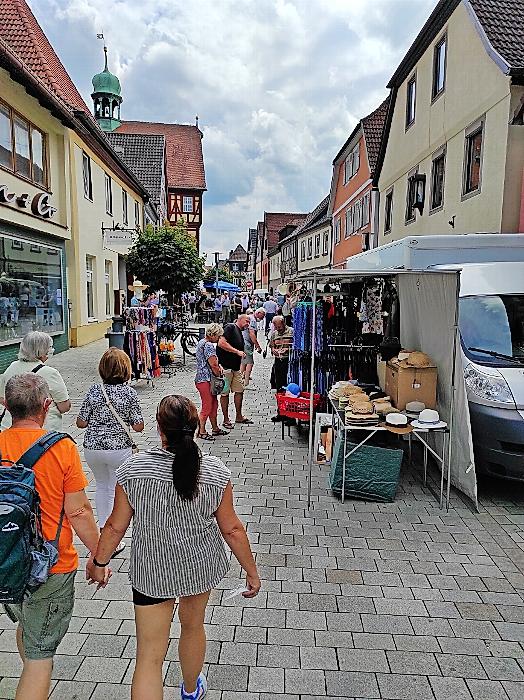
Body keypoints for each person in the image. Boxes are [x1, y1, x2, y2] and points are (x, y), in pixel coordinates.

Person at [88, 395, 261, 700]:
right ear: (195, 427)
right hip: (198, 566)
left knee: (149, 657)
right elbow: (232, 529)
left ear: (160, 429)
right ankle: (191, 690)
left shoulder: (133, 470)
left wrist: (99, 563)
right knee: (192, 627)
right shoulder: (216, 473)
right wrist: (251, 571)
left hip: (151, 570)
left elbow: (115, 526)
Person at [2, 373, 107, 700]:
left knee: (29, 629)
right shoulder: (61, 449)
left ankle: (33, 679)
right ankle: (35, 679)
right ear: (46, 407)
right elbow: (78, 512)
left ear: (6, 406)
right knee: (40, 657)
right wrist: (99, 556)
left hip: (7, 562)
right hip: (50, 567)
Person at [76, 349, 144, 533]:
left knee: (102, 486)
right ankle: (114, 533)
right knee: (115, 489)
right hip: (119, 450)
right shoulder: (130, 393)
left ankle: (103, 526)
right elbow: (138, 426)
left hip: (93, 449)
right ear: (126, 369)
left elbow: (80, 423)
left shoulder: (94, 391)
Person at [0, 331, 71, 431]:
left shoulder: (11, 367)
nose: (51, 350)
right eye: (49, 347)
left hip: (11, 427)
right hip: (43, 433)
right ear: (42, 351)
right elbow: (64, 407)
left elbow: (2, 399)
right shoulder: (50, 373)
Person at [217, 314, 252, 428]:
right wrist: (236, 352)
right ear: (240, 319)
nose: (248, 324)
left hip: (235, 368)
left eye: (249, 322)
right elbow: (221, 343)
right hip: (226, 367)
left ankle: (239, 416)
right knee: (225, 393)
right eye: (246, 321)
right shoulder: (230, 327)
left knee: (240, 391)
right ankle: (226, 419)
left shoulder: (239, 331)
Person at [195, 323, 228, 441]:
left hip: (202, 378)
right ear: (213, 335)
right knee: (207, 406)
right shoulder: (208, 345)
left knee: (213, 404)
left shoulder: (201, 342)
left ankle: (215, 428)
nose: (219, 339)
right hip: (206, 379)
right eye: (218, 336)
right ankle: (201, 431)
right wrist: (219, 374)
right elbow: (213, 364)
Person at [269, 314, 294, 394]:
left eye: (279, 327)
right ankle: (280, 393)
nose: (278, 329)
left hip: (289, 359)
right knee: (278, 378)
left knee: (288, 377)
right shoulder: (274, 333)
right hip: (278, 359)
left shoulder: (292, 331)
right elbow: (272, 345)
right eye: (276, 327)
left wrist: (287, 349)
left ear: (283, 323)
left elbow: (297, 345)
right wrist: (273, 350)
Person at [241, 309, 265, 388]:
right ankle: (246, 383)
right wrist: (258, 346)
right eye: (263, 315)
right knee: (250, 362)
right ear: (258, 313)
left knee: (243, 362)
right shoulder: (253, 320)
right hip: (247, 344)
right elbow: (252, 334)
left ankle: (240, 379)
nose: (263, 317)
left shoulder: (249, 317)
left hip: (242, 342)